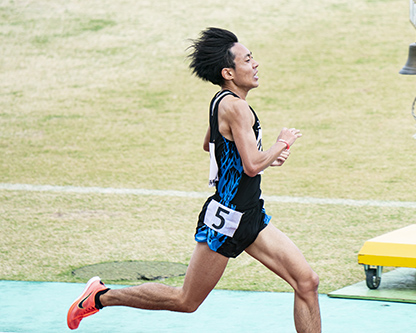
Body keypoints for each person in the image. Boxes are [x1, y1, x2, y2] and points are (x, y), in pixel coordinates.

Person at [67, 27, 321, 332]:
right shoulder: (238, 108)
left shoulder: (220, 101)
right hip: (227, 219)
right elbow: (252, 166)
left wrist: (262, 155)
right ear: (228, 72)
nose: (255, 65)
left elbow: (213, 146)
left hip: (250, 214)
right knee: (186, 300)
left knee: (306, 282)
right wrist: (282, 143)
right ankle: (101, 296)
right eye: (248, 60)